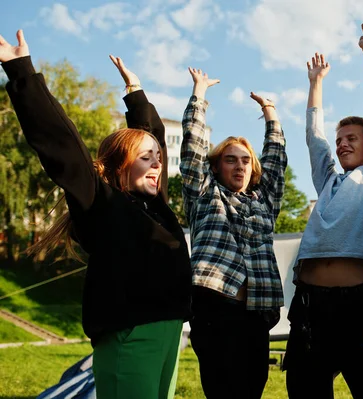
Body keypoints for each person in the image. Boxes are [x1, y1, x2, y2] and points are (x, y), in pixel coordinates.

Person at [0, 30, 192, 399]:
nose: (157, 164)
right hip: (130, 335)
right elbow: (60, 143)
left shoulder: (156, 207)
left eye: (158, 157)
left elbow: (150, 137)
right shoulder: (101, 203)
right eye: (146, 158)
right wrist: (20, 69)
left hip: (168, 332)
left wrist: (135, 94)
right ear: (120, 167)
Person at [283, 20, 363, 399]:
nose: (343, 144)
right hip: (310, 304)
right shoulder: (327, 180)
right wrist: (315, 83)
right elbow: (314, 138)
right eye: (340, 139)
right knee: (304, 388)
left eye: (352, 139)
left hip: (359, 305)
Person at [179, 67, 287, 399]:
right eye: (230, 160)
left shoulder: (263, 202)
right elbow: (193, 148)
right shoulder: (203, 193)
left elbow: (276, 161)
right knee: (222, 389)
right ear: (216, 166)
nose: (239, 165)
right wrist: (199, 93)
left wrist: (270, 114)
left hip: (255, 312)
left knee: (252, 389)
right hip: (214, 309)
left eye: (245, 161)